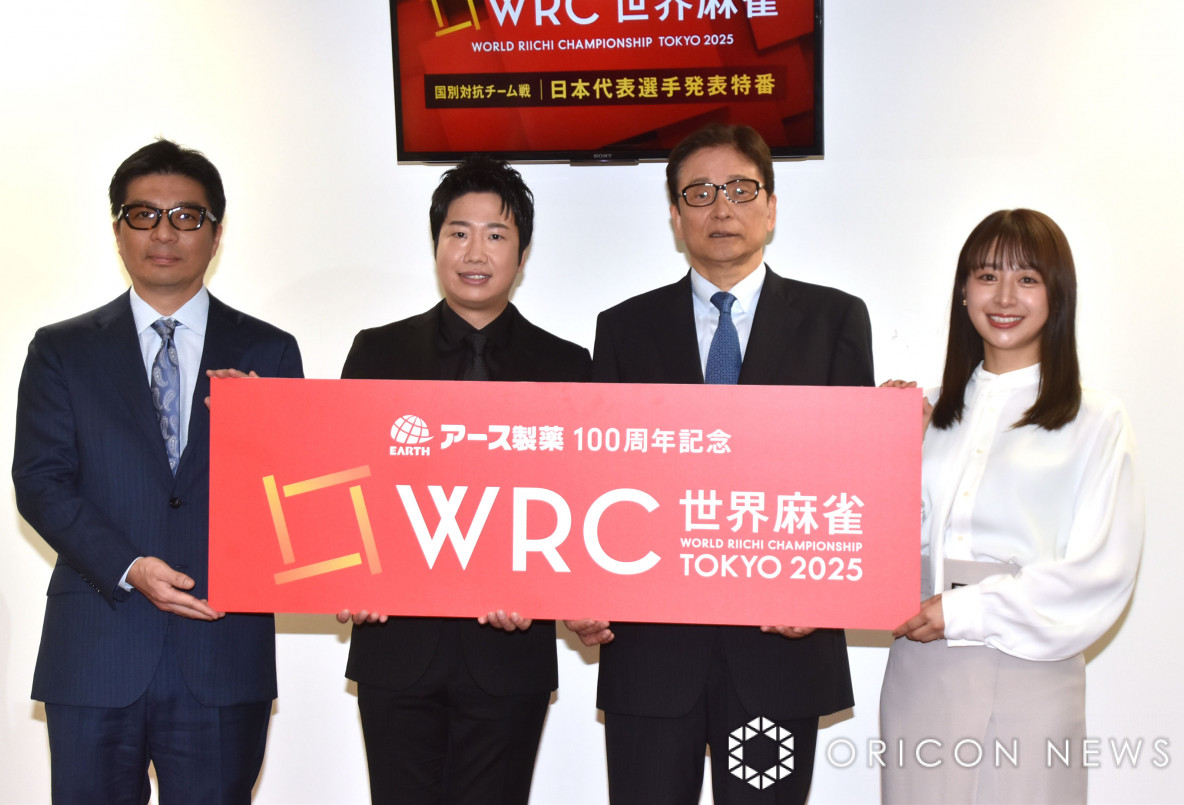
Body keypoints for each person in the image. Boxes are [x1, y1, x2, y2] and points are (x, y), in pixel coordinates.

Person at [566, 123, 874, 804]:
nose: (721, 208)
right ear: (675, 218)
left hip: (780, 649)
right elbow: (597, 480)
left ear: (771, 205)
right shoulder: (624, 329)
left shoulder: (835, 321)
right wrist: (583, 588)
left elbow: (851, 482)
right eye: (699, 193)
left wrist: (826, 597)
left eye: (740, 188)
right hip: (652, 652)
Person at [12, 139, 304, 803]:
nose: (164, 233)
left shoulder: (268, 351)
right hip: (96, 648)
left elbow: (295, 494)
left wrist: (264, 426)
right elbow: (40, 482)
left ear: (217, 233)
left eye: (186, 216)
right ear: (118, 228)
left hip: (222, 650)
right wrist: (129, 565)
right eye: (143, 215)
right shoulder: (61, 350)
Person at [335, 154, 591, 804]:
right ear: (436, 244)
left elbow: (579, 504)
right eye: (459, 232)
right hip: (396, 646)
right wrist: (349, 575)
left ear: (522, 254)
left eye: (496, 234)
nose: (475, 252)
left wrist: (543, 589)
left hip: (510, 654)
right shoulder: (377, 352)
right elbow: (346, 485)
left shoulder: (567, 366)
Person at [879, 209, 1143, 803]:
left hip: (1033, 663)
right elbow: (875, 543)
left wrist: (966, 610)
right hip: (922, 665)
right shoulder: (921, 410)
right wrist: (889, 456)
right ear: (963, 291)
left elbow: (1102, 570)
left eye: (1027, 278)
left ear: (1057, 294)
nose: (1004, 297)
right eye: (986, 275)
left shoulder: (1096, 418)